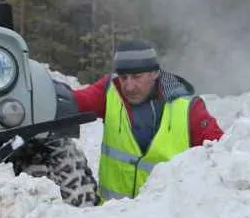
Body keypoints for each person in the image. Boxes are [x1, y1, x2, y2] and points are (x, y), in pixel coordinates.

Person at [72, 39, 224, 202]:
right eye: (123, 77)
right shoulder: (110, 91)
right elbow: (74, 102)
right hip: (112, 214)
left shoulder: (189, 109)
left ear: (155, 73)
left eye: (137, 77)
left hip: (165, 216)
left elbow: (223, 157)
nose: (129, 86)